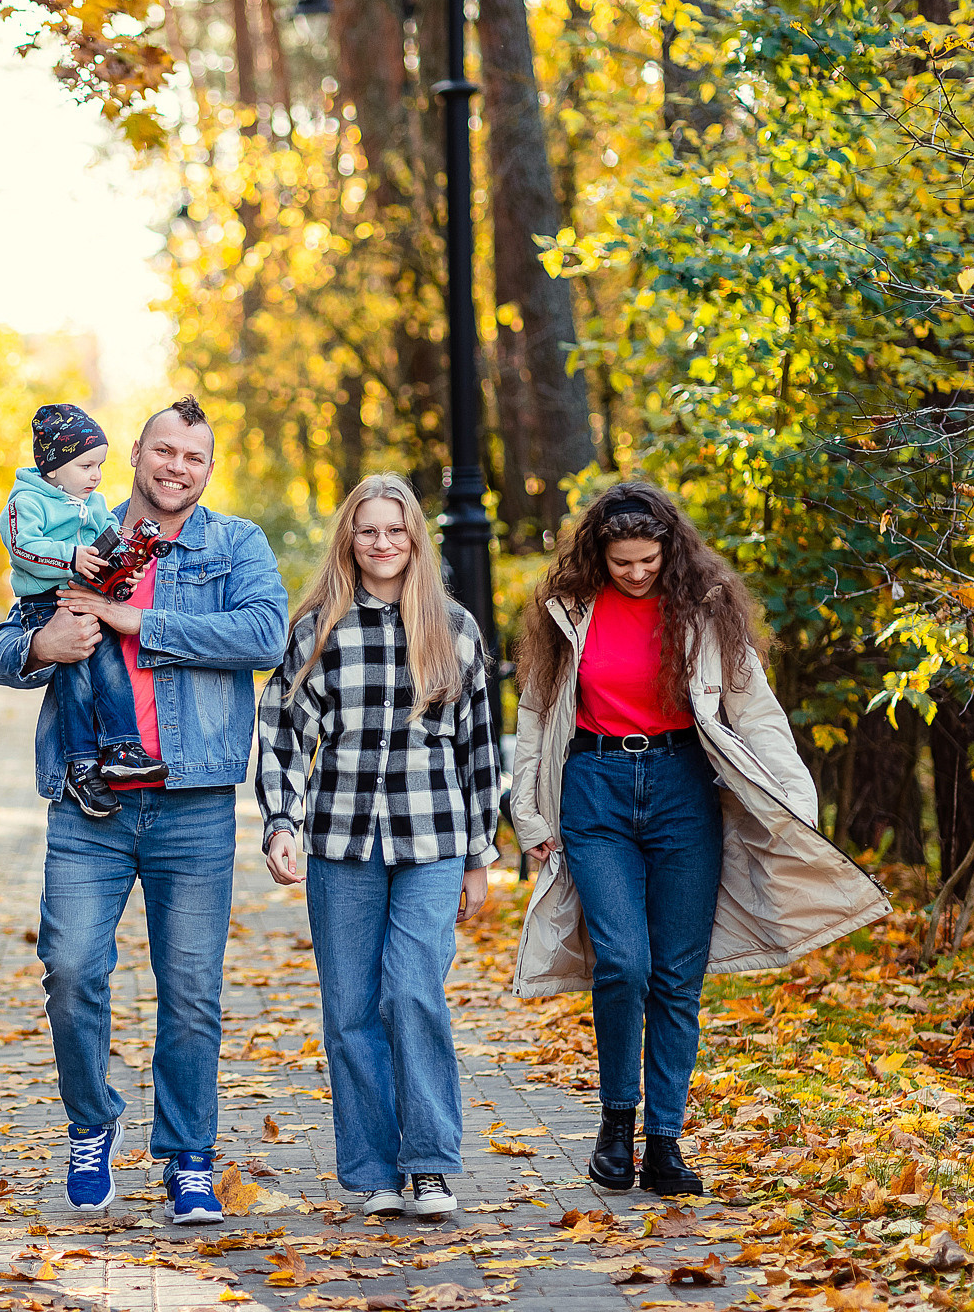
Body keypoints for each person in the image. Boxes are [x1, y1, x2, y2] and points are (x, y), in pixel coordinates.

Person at [508, 481, 889, 1196]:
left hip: (685, 789)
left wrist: (795, 803)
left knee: (678, 977)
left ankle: (664, 1142)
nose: (636, 573)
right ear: (598, 552)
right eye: (622, 562)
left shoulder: (705, 608)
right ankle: (616, 1121)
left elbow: (758, 711)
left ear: (668, 548)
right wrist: (530, 818)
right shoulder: (568, 609)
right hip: (595, 787)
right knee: (623, 960)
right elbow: (536, 714)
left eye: (647, 560)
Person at [0, 395, 288, 1225]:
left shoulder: (235, 544)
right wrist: (38, 649)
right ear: (135, 452)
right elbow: (5, 645)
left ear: (209, 467)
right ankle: (92, 1125)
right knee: (73, 972)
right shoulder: (81, 531)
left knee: (191, 989)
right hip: (89, 807)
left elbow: (265, 634)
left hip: (192, 802)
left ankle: (189, 1157)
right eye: (164, 450)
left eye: (194, 457)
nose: (177, 467)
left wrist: (137, 618)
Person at [254, 474, 501, 1221]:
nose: (382, 542)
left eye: (395, 530)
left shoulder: (453, 628)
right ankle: (371, 1170)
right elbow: (283, 730)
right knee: (352, 1006)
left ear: (415, 537)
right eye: (368, 530)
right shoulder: (317, 628)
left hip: (433, 839)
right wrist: (281, 822)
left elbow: (479, 748)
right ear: (350, 539)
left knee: (413, 990)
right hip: (341, 842)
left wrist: (481, 857)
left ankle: (428, 1161)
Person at [0, 402, 169, 817]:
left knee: (112, 670)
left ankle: (123, 747)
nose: (96, 476)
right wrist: (71, 556)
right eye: (86, 466)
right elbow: (21, 547)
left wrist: (122, 568)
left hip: (91, 597)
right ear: (54, 467)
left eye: (100, 466)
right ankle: (80, 764)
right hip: (47, 606)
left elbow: (107, 544)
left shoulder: (94, 504)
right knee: (73, 679)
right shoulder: (27, 501)